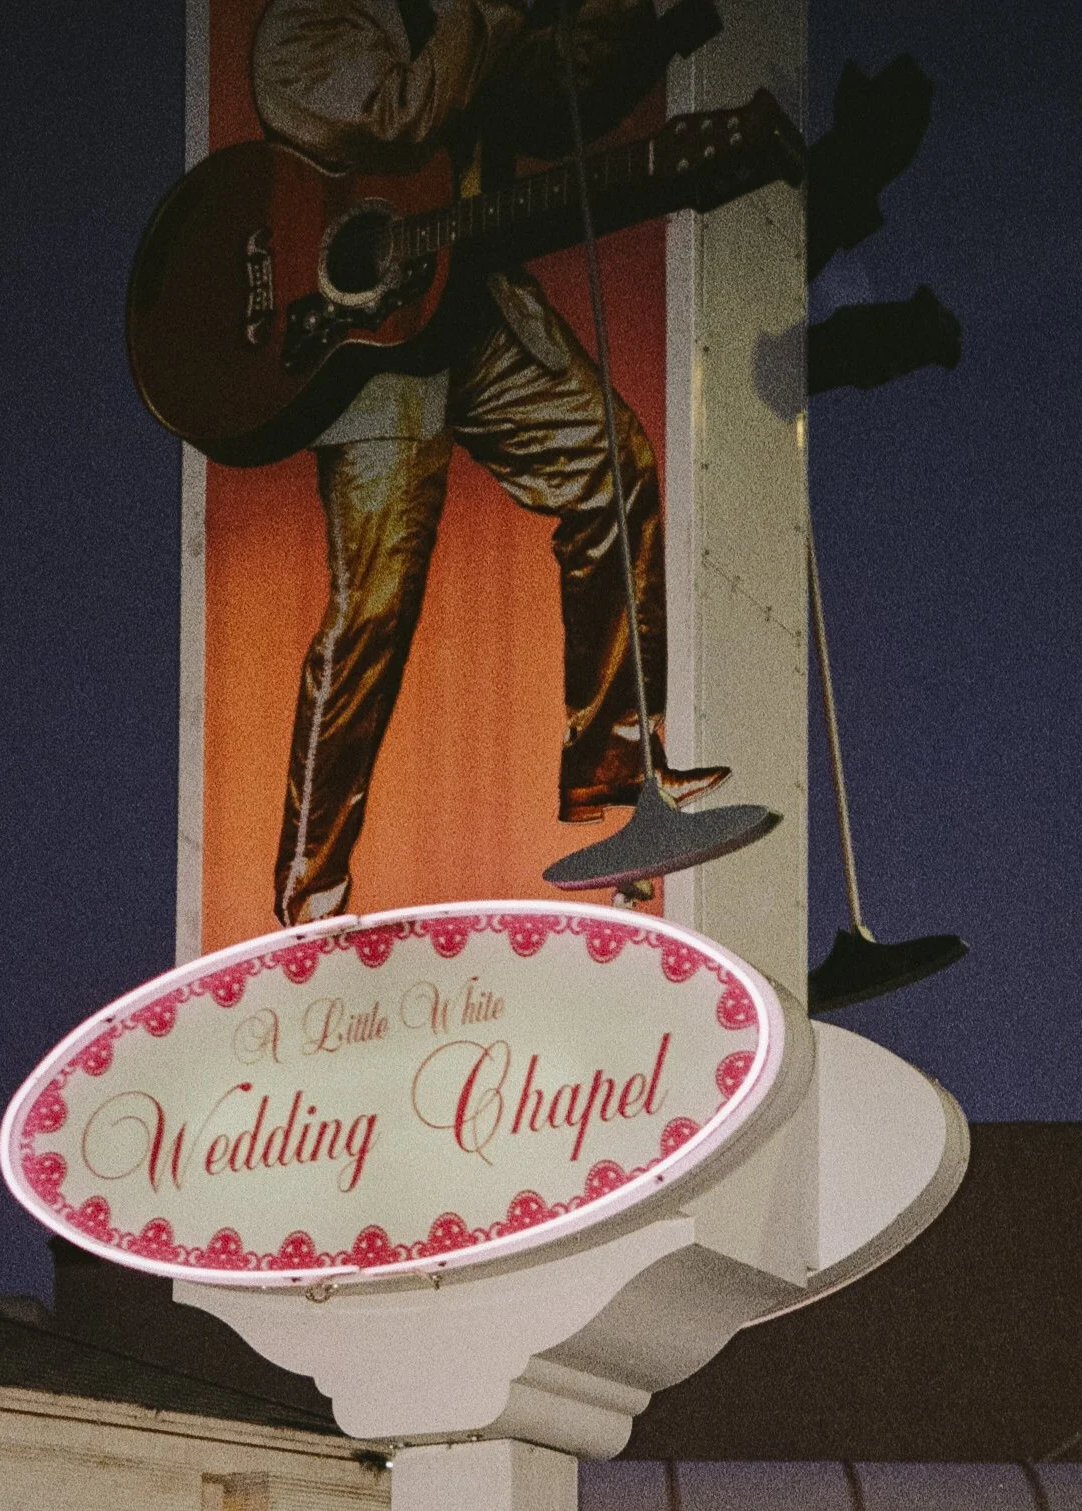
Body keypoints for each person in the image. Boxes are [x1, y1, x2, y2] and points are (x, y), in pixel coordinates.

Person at [248, 0, 729, 924]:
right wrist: (492, 14)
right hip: (366, 354)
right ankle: (310, 894)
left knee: (613, 468)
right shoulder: (307, 24)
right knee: (372, 611)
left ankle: (620, 766)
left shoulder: (453, 18)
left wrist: (644, 25)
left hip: (473, 316)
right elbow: (401, 117)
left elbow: (554, 108)